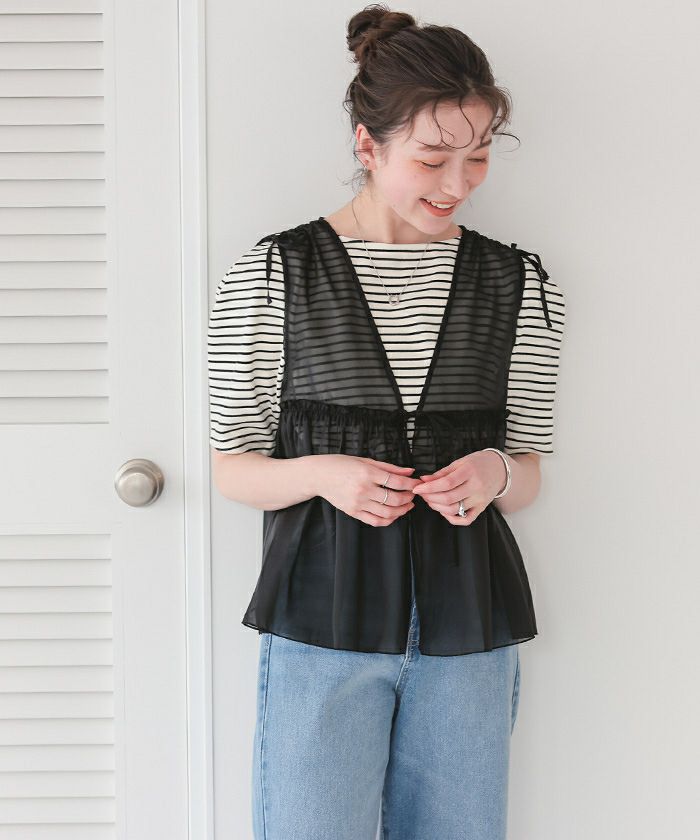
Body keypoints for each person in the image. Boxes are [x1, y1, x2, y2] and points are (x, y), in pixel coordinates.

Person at [208, 5, 566, 839]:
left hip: (470, 635)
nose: (458, 183)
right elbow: (232, 466)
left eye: (478, 156)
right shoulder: (275, 276)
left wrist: (496, 473)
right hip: (320, 630)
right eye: (433, 158)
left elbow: (528, 472)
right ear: (368, 146)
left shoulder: (519, 285)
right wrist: (322, 474)